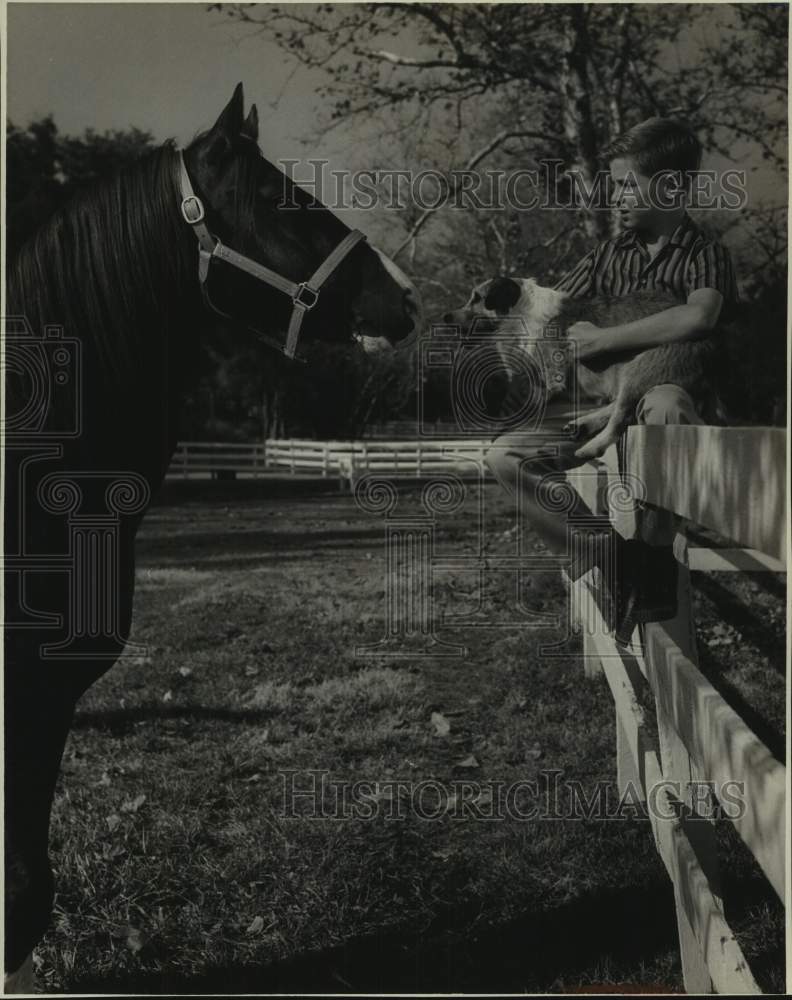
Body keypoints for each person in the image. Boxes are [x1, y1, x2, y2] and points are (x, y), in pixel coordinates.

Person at [485, 117, 739, 646]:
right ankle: (600, 549)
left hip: (664, 398)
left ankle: (651, 556)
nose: (616, 196)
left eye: (627, 185)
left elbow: (699, 319)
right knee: (505, 455)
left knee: (666, 405)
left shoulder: (704, 253)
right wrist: (506, 314)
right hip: (597, 407)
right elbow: (551, 308)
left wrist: (603, 340)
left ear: (670, 187)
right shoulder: (606, 256)